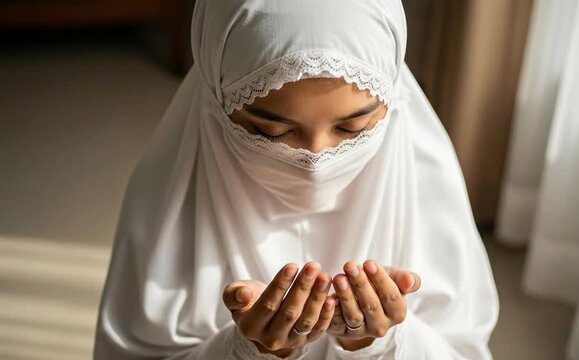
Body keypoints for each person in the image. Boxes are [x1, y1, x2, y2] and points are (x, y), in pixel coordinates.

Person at [93, 0, 499, 359]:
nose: (315, 162)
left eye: (353, 129)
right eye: (270, 132)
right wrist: (244, 353)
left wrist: (382, 344)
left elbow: (462, 347)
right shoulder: (168, 203)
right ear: (215, 104)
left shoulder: (424, 180)